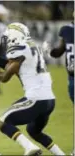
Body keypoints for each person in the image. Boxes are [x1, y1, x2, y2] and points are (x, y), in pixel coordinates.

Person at [0, 22, 65, 155]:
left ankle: (29, 147)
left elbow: (5, 77)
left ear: (15, 36)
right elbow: (9, 64)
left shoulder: (18, 50)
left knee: (3, 122)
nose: (6, 41)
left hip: (35, 98)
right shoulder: (33, 46)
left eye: (8, 37)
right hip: (50, 100)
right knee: (34, 131)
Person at [43, 20, 74, 155]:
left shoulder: (67, 29)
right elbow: (58, 52)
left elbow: (58, 52)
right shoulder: (67, 30)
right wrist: (49, 50)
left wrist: (48, 49)